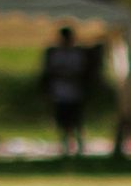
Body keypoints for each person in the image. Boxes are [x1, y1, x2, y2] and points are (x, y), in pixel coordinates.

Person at [38, 24, 105, 161]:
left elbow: (82, 72)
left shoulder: (77, 54)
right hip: (60, 94)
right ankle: (64, 149)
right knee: (63, 123)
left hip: (75, 93)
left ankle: (79, 149)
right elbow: (50, 72)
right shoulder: (56, 53)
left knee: (77, 123)